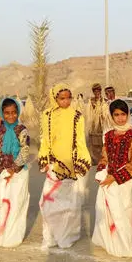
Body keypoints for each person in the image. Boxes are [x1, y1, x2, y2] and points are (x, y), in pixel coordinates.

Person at [38, 84, 91, 250]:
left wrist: (82, 161)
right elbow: (45, 140)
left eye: (69, 97)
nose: (66, 101)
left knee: (68, 205)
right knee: (47, 203)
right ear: (55, 98)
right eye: (62, 98)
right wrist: (44, 160)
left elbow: (80, 141)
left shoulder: (77, 117)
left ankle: (67, 236)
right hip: (53, 165)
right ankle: (50, 237)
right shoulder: (47, 115)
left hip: (70, 166)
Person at [92, 99, 132, 257]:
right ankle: (111, 242)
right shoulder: (108, 135)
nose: (120, 118)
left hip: (124, 182)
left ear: (128, 115)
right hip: (108, 179)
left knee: (125, 212)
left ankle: (126, 244)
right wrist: (101, 172)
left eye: (123, 114)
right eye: (116, 115)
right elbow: (104, 157)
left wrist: (114, 177)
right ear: (112, 116)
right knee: (108, 212)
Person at [0, 98, 30, 248]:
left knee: (17, 204)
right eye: (7, 113)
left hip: (19, 173)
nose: (11, 116)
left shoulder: (22, 130)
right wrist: (0, 168)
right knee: (4, 205)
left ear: (18, 113)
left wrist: (15, 168)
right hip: (4, 173)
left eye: (14, 113)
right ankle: (3, 237)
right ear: (2, 113)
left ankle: (14, 238)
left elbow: (25, 151)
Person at [87, 83, 107, 164]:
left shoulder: (104, 101)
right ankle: (95, 159)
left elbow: (106, 113)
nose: (97, 92)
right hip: (94, 126)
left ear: (100, 91)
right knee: (94, 143)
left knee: (102, 143)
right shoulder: (91, 101)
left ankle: (103, 159)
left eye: (98, 90)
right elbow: (89, 113)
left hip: (102, 125)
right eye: (95, 91)